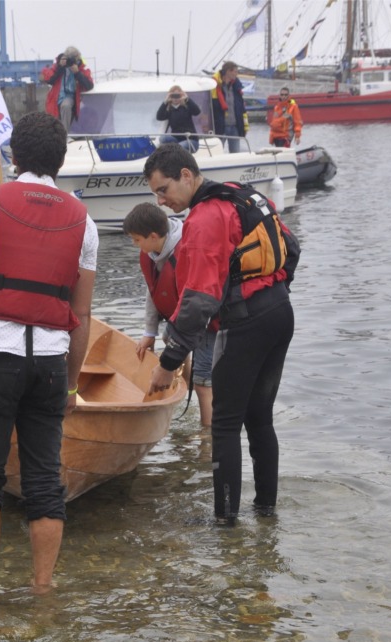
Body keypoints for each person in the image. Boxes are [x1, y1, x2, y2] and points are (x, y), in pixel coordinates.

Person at [0, 111, 99, 603]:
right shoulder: (85, 220)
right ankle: (42, 589)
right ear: (62, 158)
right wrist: (72, 383)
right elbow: (83, 314)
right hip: (50, 363)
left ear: (13, 154)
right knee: (45, 481)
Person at [142, 143, 297, 523]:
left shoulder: (205, 218)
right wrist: (270, 294)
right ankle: (265, 511)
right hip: (280, 313)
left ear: (187, 176)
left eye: (163, 190)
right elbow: (290, 248)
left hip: (246, 324)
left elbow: (197, 301)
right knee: (260, 418)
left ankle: (225, 523)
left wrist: (169, 362)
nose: (161, 202)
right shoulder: (246, 197)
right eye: (155, 194)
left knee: (225, 424)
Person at [123, 202, 214, 427]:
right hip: (181, 318)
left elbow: (198, 301)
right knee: (171, 342)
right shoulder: (153, 254)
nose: (136, 245)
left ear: (153, 236)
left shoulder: (186, 250)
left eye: (136, 240)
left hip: (206, 320)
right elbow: (152, 292)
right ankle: (184, 397)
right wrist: (149, 332)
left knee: (203, 378)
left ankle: (207, 435)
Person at [39, 46, 93, 129]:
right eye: (69, 59)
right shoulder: (58, 67)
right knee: (52, 122)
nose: (71, 62)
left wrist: (77, 73)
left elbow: (89, 85)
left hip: (69, 97)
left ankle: (64, 134)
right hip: (55, 99)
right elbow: (50, 80)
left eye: (74, 59)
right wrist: (60, 67)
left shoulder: (81, 69)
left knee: (66, 106)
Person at [156, 84, 202, 152]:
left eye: (177, 96)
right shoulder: (170, 110)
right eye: (173, 96)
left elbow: (197, 112)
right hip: (176, 140)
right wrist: (165, 101)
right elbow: (159, 117)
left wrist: (187, 99)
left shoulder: (187, 107)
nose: (175, 98)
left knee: (180, 147)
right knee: (163, 138)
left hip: (190, 140)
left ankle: (175, 151)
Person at [221, 61, 249, 152]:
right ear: (228, 71)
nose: (237, 74)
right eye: (235, 71)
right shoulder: (217, 86)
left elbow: (240, 106)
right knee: (216, 152)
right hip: (221, 126)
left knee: (236, 153)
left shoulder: (236, 87)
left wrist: (244, 126)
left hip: (234, 126)